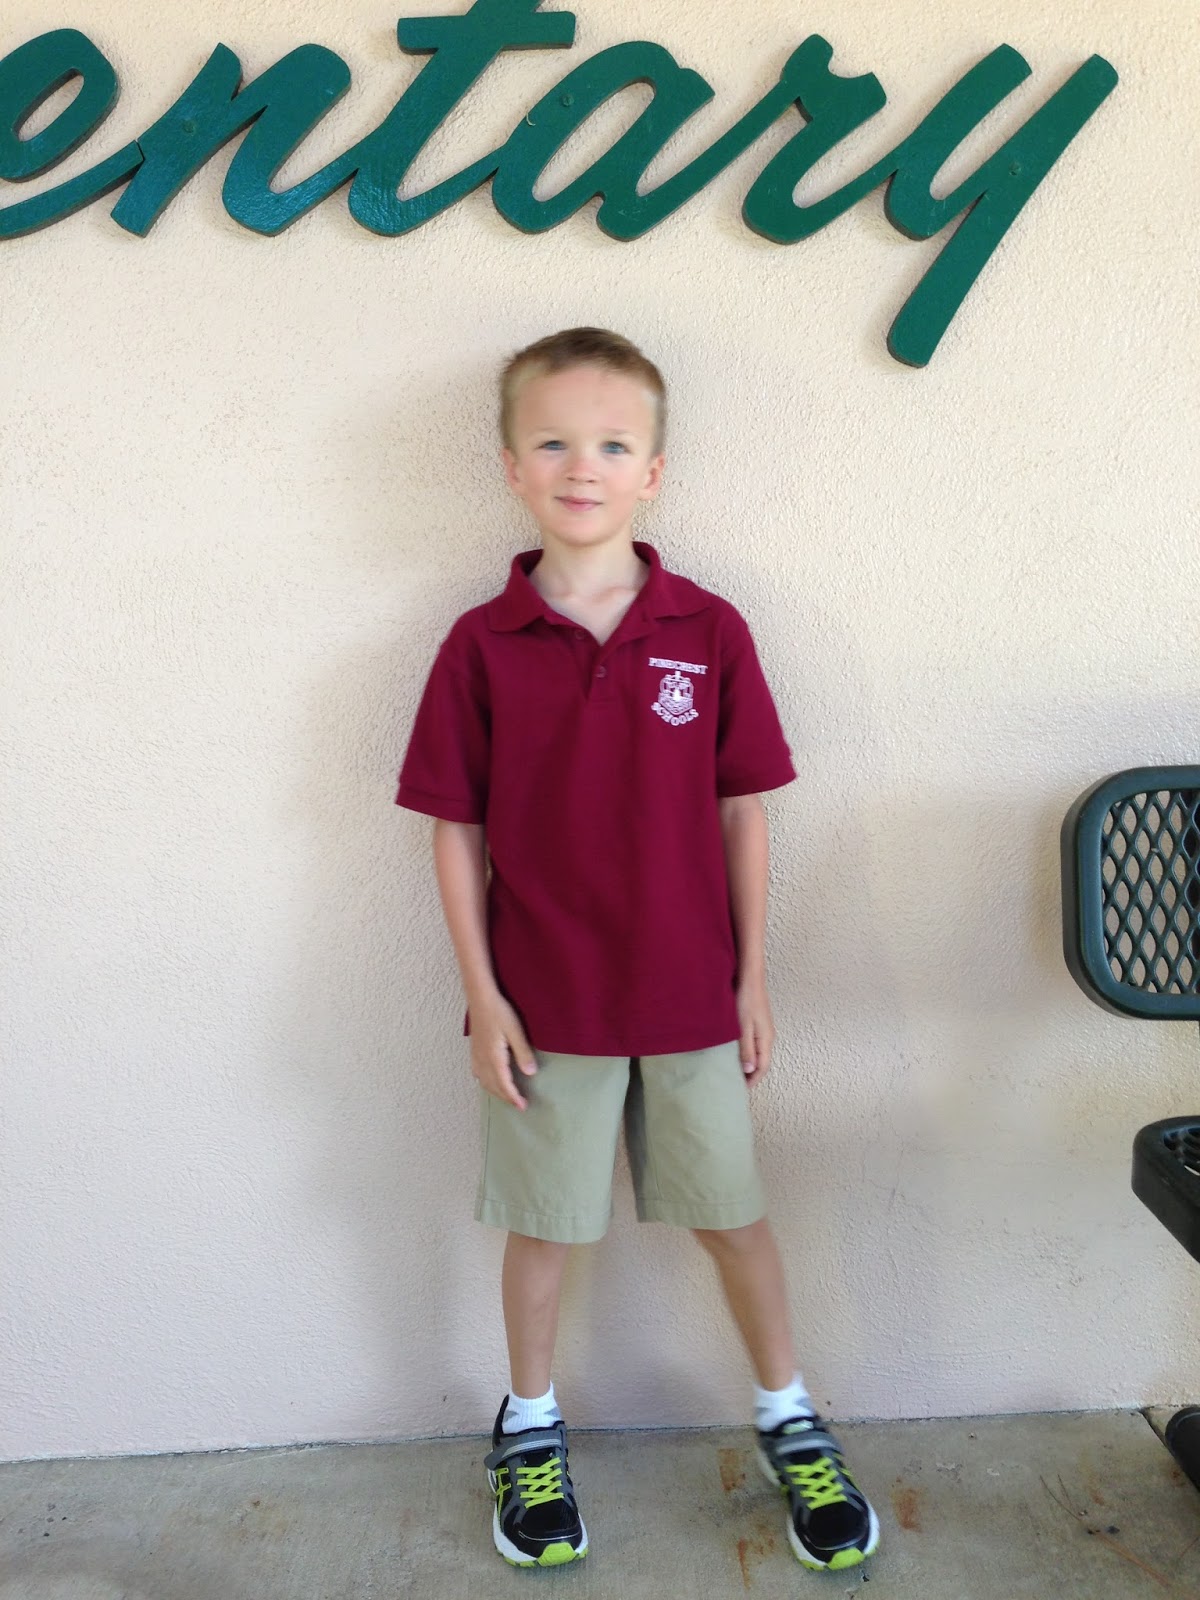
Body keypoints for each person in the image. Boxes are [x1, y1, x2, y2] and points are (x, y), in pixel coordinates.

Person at [395, 327, 879, 1574]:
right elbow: (453, 829)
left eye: (612, 444)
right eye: (554, 441)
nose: (583, 466)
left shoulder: (706, 629)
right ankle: (529, 1424)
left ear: (653, 471)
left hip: (689, 998)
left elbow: (743, 810)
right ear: (511, 465)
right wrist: (483, 995)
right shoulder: (480, 644)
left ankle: (789, 1415)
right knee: (544, 1227)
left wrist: (752, 976)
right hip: (544, 1002)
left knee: (735, 1217)